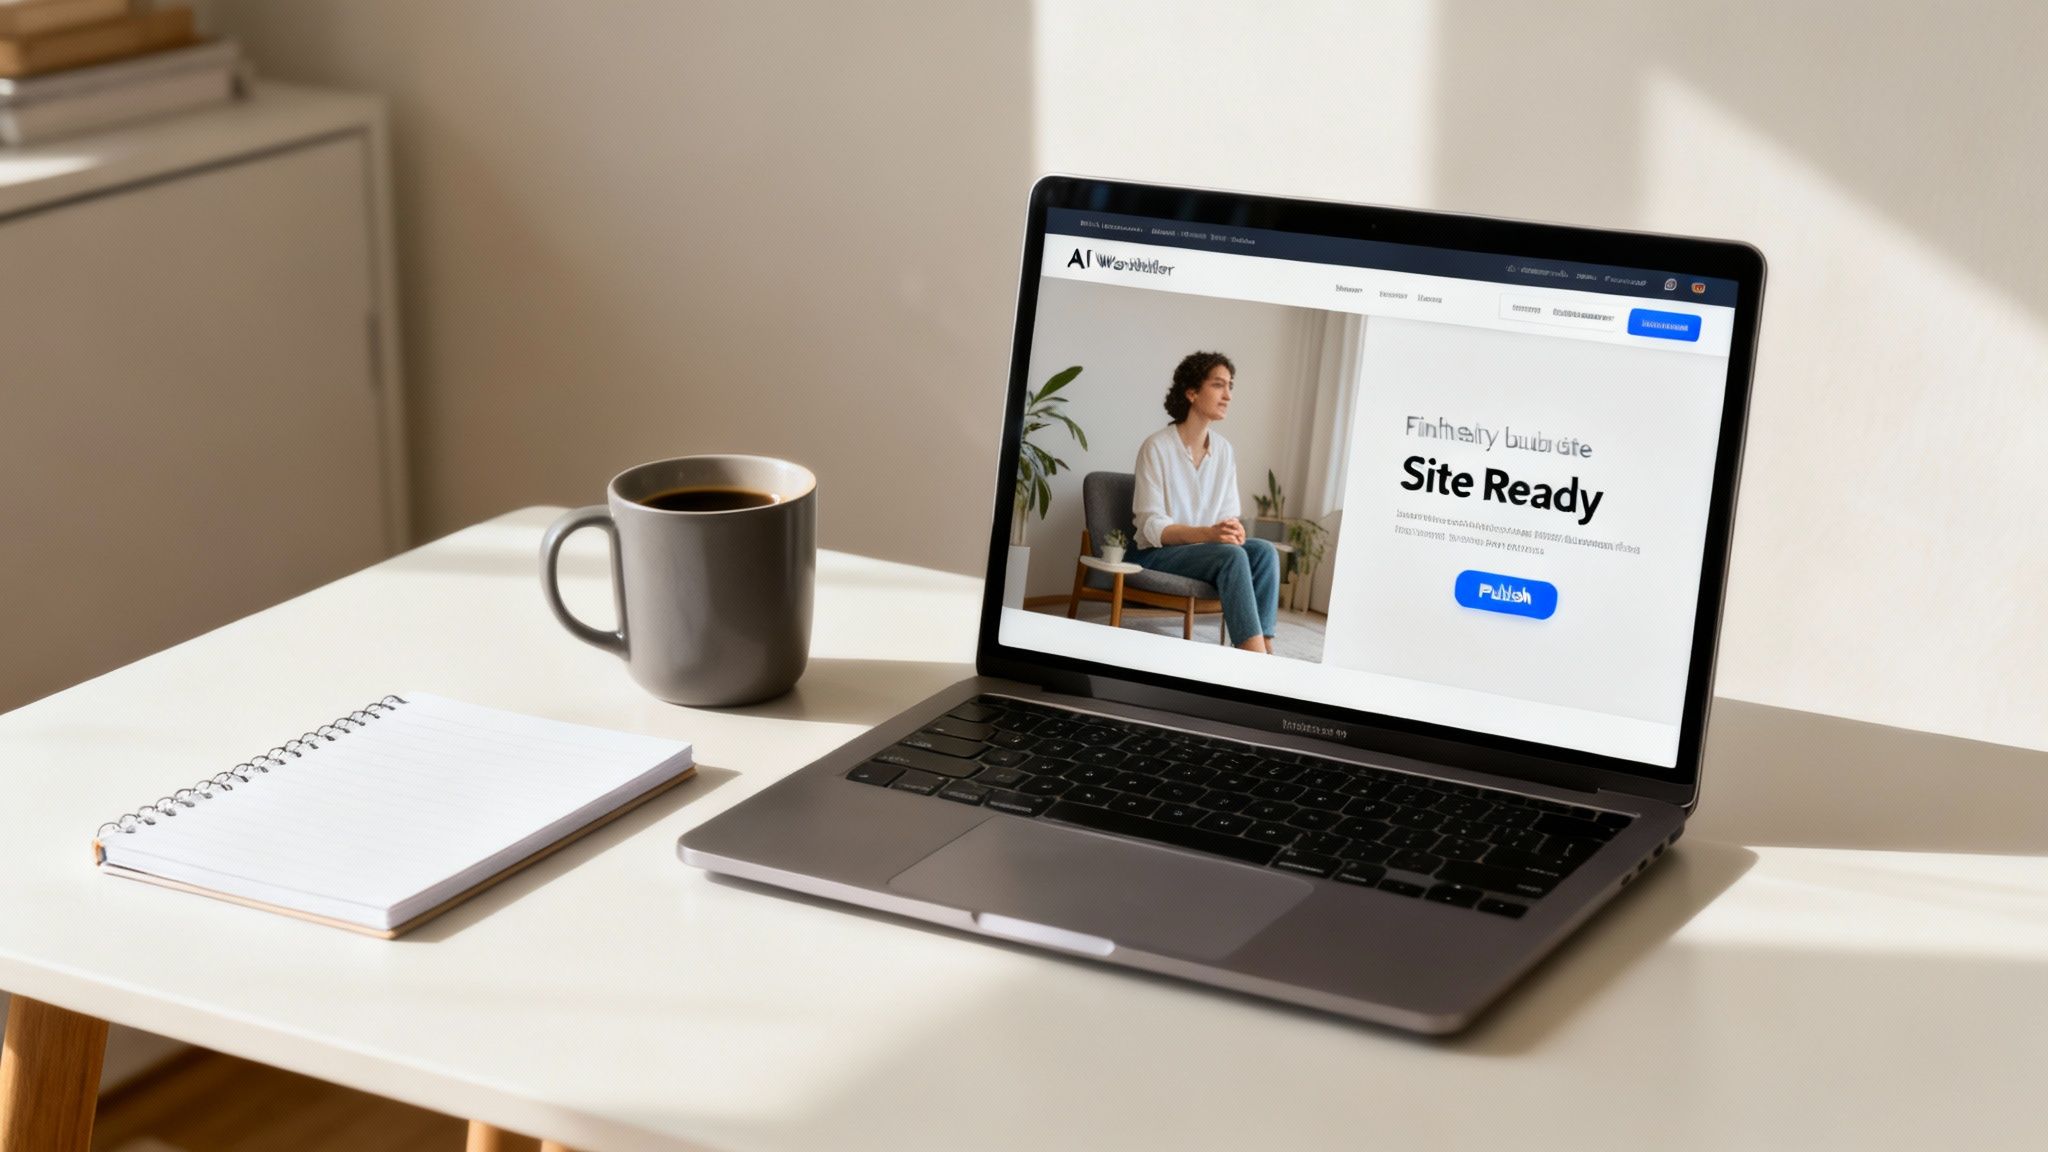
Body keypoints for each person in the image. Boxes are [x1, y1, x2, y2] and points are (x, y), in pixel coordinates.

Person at [1129, 351, 1279, 653]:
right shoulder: (1156, 447)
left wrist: (1231, 531)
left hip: (1206, 552)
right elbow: (1151, 528)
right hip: (1157, 554)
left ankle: (1265, 649)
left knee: (1264, 551)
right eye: (1218, 385)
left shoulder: (1224, 451)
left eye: (1230, 386)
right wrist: (1210, 536)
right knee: (1231, 557)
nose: (1228, 396)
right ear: (1192, 392)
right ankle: (1255, 659)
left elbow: (1227, 516)